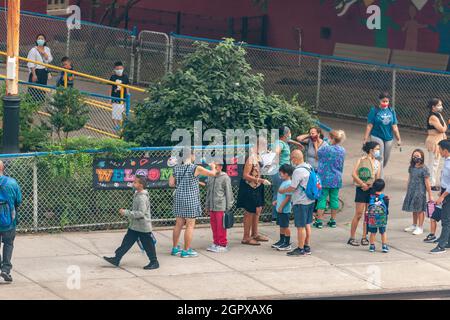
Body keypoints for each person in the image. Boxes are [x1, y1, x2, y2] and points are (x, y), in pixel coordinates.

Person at [103, 176, 159, 270]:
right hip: (135, 226)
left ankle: (154, 262)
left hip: (143, 227)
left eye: (135, 182)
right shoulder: (137, 193)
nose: (133, 183)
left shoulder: (142, 198)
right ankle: (116, 259)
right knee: (126, 243)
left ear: (141, 185)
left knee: (148, 245)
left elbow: (141, 213)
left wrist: (126, 212)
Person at [169, 150, 218, 258]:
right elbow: (213, 174)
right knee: (190, 225)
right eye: (194, 154)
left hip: (178, 198)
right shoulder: (195, 168)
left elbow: (171, 183)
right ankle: (186, 250)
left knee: (178, 224)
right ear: (189, 155)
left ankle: (175, 248)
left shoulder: (176, 168)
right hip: (190, 199)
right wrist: (213, 166)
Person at [278, 150, 315, 256]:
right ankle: (307, 246)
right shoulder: (309, 166)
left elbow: (293, 187)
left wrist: (283, 191)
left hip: (300, 201)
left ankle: (300, 248)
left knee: (300, 226)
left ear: (295, 158)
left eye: (292, 158)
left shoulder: (298, 171)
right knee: (307, 224)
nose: (291, 161)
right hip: (310, 200)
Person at [237, 138, 271, 246]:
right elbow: (245, 175)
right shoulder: (251, 157)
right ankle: (246, 237)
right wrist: (259, 180)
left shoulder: (259, 157)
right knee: (249, 211)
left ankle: (255, 234)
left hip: (258, 186)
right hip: (250, 186)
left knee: (258, 210)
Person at [348, 141, 381, 246]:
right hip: (361, 189)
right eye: (377, 149)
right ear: (371, 150)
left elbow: (378, 179)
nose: (378, 151)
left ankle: (364, 236)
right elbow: (354, 174)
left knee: (368, 214)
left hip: (371, 190)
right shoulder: (361, 160)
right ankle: (352, 237)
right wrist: (362, 184)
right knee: (358, 214)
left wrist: (376, 190)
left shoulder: (378, 163)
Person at [363, 92, 402, 177]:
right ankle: (380, 179)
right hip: (377, 135)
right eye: (383, 101)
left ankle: (376, 172)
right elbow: (369, 125)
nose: (385, 103)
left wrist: (398, 139)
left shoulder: (391, 111)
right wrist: (365, 138)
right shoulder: (374, 111)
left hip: (388, 137)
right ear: (379, 101)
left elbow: (394, 126)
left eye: (386, 101)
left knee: (386, 158)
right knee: (379, 157)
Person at [315, 130, 346, 229]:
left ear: (332, 138)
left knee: (322, 199)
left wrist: (316, 145)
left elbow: (317, 156)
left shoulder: (325, 149)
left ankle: (319, 221)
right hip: (336, 178)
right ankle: (333, 220)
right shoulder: (342, 150)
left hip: (324, 178)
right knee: (334, 199)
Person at [0, 161, 22, 282]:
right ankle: (5, 269)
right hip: (9, 221)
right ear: (3, 168)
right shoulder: (12, 182)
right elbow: (18, 200)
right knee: (8, 244)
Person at [205, 160, 234, 253]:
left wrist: (229, 206)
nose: (213, 166)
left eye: (216, 165)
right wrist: (207, 205)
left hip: (221, 206)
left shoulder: (225, 177)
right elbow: (208, 192)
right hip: (212, 207)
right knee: (214, 226)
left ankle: (222, 244)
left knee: (221, 226)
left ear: (221, 167)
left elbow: (229, 192)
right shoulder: (210, 176)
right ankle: (216, 243)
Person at [402, 149, 433, 236]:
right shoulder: (411, 167)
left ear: (422, 157)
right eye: (414, 156)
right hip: (412, 190)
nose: (415, 158)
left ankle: (420, 227)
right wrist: (407, 189)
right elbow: (409, 178)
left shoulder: (424, 168)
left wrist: (430, 194)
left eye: (418, 156)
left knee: (420, 209)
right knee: (414, 209)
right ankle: (414, 224)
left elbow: (427, 182)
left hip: (420, 191)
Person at [430, 140, 450, 254]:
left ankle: (441, 245)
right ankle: (448, 242)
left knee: (446, 221)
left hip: (448, 194)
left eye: (440, 149)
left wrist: (442, 196)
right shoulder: (447, 161)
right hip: (445, 191)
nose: (439, 151)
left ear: (445, 151)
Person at [271, 126, 292, 222]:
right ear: (285, 134)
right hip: (281, 173)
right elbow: (276, 153)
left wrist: (298, 144)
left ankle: (278, 215)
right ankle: (276, 216)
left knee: (280, 192)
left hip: (283, 172)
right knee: (279, 193)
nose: (290, 135)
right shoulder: (280, 143)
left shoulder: (283, 142)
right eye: (289, 133)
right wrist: (280, 168)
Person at [271, 164, 294, 251]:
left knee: (285, 226)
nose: (280, 175)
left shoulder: (289, 183)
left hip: (284, 210)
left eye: (281, 174)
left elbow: (288, 197)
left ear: (287, 174)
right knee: (281, 225)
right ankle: (282, 240)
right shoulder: (284, 182)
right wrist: (277, 201)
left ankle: (287, 243)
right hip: (280, 208)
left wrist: (281, 206)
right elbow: (282, 195)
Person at [425, 98, 447, 191]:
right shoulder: (432, 117)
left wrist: (444, 127)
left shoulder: (439, 115)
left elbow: (444, 127)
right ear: (433, 107)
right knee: (433, 163)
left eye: (441, 105)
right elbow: (442, 129)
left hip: (439, 140)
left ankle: (431, 182)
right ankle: (431, 184)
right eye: (438, 105)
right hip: (433, 141)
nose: (440, 107)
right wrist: (444, 127)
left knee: (436, 163)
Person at [27, 34, 53, 101]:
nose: (40, 40)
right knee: (33, 90)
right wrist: (34, 74)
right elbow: (31, 63)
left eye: (42, 39)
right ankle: (31, 104)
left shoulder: (47, 49)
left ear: (45, 40)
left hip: (44, 72)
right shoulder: (33, 50)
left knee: (42, 89)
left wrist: (43, 53)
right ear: (36, 40)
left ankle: (40, 103)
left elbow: (49, 59)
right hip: (36, 71)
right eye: (39, 38)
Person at [367, 179, 390, 253]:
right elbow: (386, 209)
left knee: (373, 232)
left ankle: (372, 246)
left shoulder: (371, 197)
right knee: (383, 232)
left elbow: (369, 206)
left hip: (372, 218)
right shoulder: (384, 197)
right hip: (382, 218)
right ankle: (384, 246)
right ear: (383, 188)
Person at [110, 61, 130, 132]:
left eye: (120, 69)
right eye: (117, 69)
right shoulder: (113, 77)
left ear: (123, 68)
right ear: (114, 69)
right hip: (115, 97)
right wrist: (110, 98)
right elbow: (110, 87)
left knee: (121, 112)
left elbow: (127, 86)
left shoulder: (125, 77)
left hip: (123, 98)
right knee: (115, 113)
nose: (119, 70)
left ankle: (121, 126)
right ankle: (116, 126)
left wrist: (128, 94)